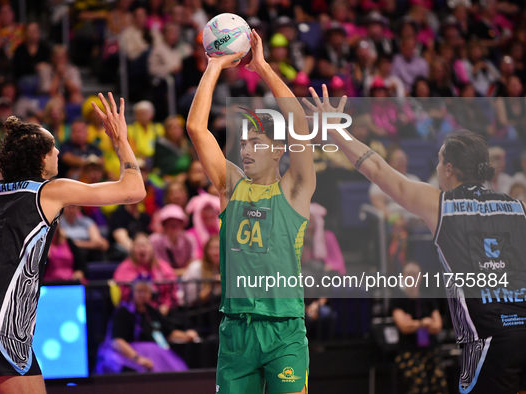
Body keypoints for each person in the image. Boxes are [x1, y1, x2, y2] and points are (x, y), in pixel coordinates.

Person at [302, 85, 526, 394]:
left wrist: (336, 130)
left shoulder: (442, 204)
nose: (435, 167)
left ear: (449, 168)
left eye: (438, 161)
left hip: (489, 339)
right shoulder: (518, 206)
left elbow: (379, 169)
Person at [0, 92, 145, 394]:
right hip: (1, 321)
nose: (59, 152)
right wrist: (120, 140)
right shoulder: (48, 191)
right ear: (40, 156)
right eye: (53, 146)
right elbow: (134, 189)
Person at [187, 30, 315, 394]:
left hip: (284, 329)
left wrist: (262, 67)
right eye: (243, 143)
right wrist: (214, 66)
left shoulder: (295, 189)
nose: (245, 150)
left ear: (277, 150)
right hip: (237, 330)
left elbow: (300, 127)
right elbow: (196, 128)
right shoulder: (231, 186)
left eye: (256, 143)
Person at [95, 279, 195, 374]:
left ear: (151, 294)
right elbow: (117, 341)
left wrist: (186, 335)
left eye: (145, 291)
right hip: (128, 355)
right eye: (139, 291)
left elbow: (168, 333)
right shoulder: (124, 312)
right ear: (132, 292)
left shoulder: (152, 311)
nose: (142, 295)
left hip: (157, 354)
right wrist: (137, 358)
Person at [391, 262, 448, 394]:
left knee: (439, 380)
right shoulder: (398, 300)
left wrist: (414, 324)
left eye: (415, 274)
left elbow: (437, 325)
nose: (412, 278)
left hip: (430, 348)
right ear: (403, 277)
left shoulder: (428, 298)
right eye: (409, 275)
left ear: (420, 277)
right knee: (419, 382)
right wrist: (423, 323)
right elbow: (404, 327)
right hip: (408, 350)